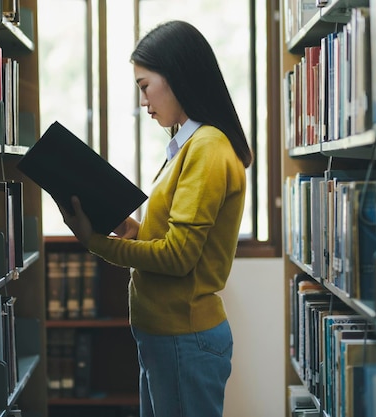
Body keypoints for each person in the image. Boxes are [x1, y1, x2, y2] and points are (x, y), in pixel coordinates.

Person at [58, 20, 252, 417]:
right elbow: (157, 237)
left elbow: (178, 257)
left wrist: (93, 242)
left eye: (145, 87)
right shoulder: (186, 145)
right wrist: (119, 225)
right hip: (166, 334)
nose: (144, 102)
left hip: (184, 335)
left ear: (176, 75)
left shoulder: (208, 148)